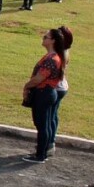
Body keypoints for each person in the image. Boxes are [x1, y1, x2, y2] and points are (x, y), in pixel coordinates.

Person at [22, 28, 66, 164]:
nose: (43, 38)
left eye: (46, 37)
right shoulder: (55, 57)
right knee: (44, 124)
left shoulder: (51, 59)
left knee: (42, 125)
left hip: (44, 93)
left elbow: (39, 78)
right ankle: (42, 152)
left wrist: (26, 86)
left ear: (53, 40)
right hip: (47, 92)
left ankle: (40, 154)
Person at [48, 26, 73, 156]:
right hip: (62, 87)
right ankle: (51, 141)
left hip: (56, 87)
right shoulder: (65, 50)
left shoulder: (59, 53)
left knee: (50, 116)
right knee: (54, 115)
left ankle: (49, 143)